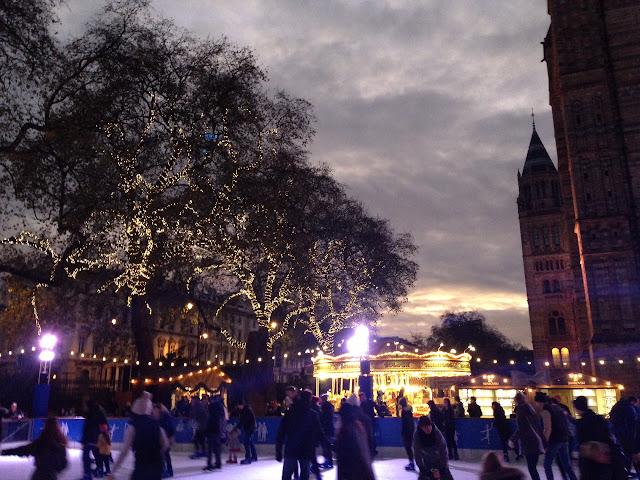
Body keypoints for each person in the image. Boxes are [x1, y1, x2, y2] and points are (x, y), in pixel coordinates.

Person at [108, 391, 169, 480]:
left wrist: (113, 471)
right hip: (156, 468)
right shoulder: (156, 425)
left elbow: (124, 452)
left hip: (141, 469)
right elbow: (165, 444)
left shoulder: (133, 427)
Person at [573, 395, 626, 480]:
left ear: (577, 408)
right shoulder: (600, 419)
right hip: (605, 457)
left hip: (591, 460)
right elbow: (609, 436)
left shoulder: (582, 423)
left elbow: (582, 442)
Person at [276, 389, 325, 480]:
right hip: (306, 449)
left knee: (287, 475)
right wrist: (329, 445)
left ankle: (296, 475)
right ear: (310, 400)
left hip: (291, 449)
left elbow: (281, 432)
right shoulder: (313, 414)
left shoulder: (290, 413)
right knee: (304, 474)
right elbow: (320, 433)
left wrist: (278, 450)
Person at [1, 416, 68, 479]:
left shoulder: (42, 442)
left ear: (45, 426)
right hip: (52, 476)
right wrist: (54, 469)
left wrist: (5, 452)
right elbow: (63, 464)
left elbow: (24, 450)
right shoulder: (60, 444)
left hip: (39, 475)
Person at [533, 392, 577, 480]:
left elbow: (547, 428)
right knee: (566, 464)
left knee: (547, 464)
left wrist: (544, 443)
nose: (536, 405)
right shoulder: (557, 407)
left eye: (536, 402)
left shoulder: (545, 411)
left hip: (554, 440)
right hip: (564, 438)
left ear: (540, 402)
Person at [334, 394, 376, 480]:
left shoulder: (345, 425)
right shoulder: (364, 419)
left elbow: (340, 448)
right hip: (362, 463)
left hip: (349, 465)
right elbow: (370, 440)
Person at [509, 392, 545, 480]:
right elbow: (536, 426)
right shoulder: (530, 408)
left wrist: (512, 439)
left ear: (516, 401)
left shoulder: (521, 410)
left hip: (529, 441)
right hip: (536, 440)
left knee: (532, 468)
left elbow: (521, 427)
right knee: (533, 467)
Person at [413, 415, 453, 480]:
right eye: (425, 427)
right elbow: (417, 452)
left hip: (439, 459)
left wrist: (444, 466)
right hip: (426, 461)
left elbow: (443, 449)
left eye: (429, 425)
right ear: (421, 427)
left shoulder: (436, 433)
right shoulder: (417, 435)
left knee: (446, 476)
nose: (428, 428)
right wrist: (421, 467)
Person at [609, 395, 636, 476]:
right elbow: (632, 422)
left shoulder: (617, 406)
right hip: (627, 434)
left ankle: (622, 470)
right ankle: (627, 470)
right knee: (628, 453)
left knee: (621, 452)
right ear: (632, 402)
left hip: (617, 432)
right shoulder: (629, 407)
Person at [82, 399, 107, 480]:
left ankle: (88, 474)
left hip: (90, 438)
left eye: (85, 406)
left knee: (86, 456)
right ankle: (99, 469)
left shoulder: (90, 414)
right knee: (96, 454)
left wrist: (84, 439)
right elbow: (104, 424)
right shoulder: (97, 413)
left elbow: (87, 428)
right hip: (96, 438)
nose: (84, 407)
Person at [152, 403, 175, 478]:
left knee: (163, 454)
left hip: (166, 438)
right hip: (164, 438)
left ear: (159, 409)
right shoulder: (161, 416)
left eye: (155, 410)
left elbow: (170, 427)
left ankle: (165, 470)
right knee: (165, 454)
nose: (154, 412)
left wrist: (170, 437)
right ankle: (168, 470)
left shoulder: (165, 417)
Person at [237, 400, 258, 464]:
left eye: (239, 406)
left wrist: (251, 428)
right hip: (249, 428)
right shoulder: (242, 411)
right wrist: (237, 427)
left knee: (246, 442)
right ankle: (254, 456)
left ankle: (248, 458)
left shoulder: (247, 410)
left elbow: (252, 419)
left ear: (242, 405)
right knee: (250, 442)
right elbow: (242, 421)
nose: (238, 407)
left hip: (250, 428)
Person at [359, 392, 379, 456]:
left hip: (370, 421)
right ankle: (369, 450)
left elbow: (376, 406)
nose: (362, 398)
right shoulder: (361, 405)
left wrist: (379, 413)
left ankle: (373, 450)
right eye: (361, 397)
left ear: (364, 396)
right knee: (367, 436)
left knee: (371, 435)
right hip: (365, 422)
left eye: (362, 397)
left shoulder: (369, 402)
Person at [399, 396, 416, 471]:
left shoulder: (404, 412)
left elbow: (405, 423)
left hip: (407, 431)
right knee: (410, 447)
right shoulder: (409, 411)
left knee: (408, 447)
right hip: (411, 430)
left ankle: (411, 463)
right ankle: (412, 462)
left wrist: (403, 432)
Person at [318, 394, 335, 469]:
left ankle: (328, 461)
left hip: (325, 429)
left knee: (326, 446)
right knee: (327, 446)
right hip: (329, 428)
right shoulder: (330, 406)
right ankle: (328, 461)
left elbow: (323, 418)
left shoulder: (324, 407)